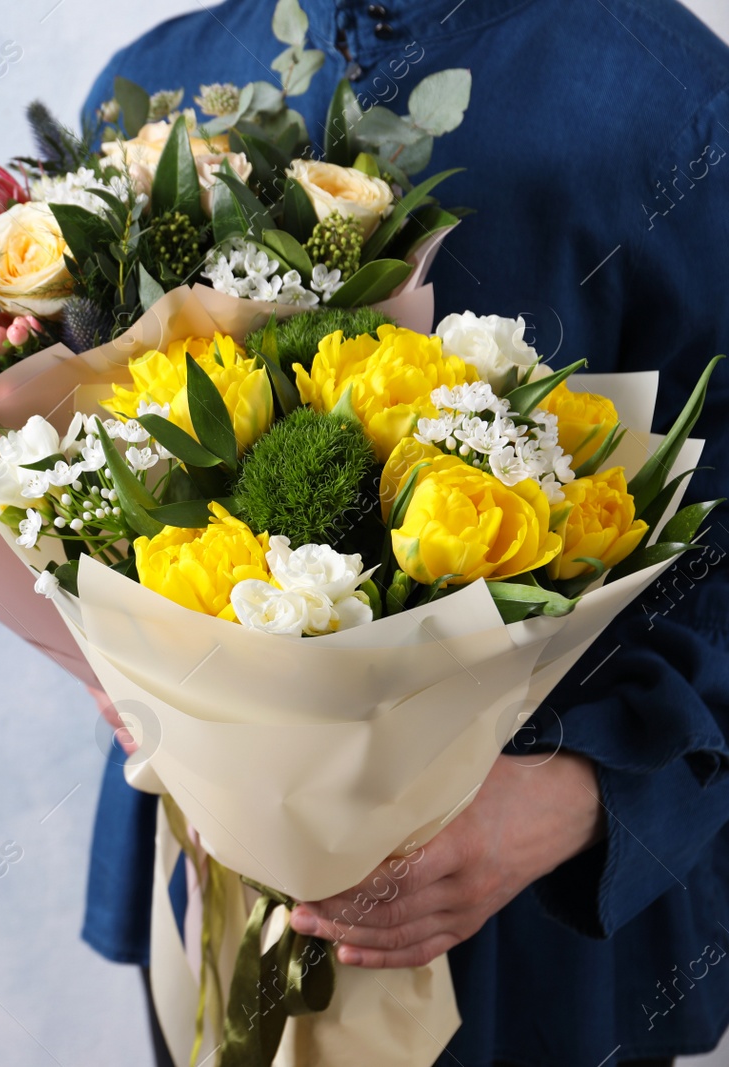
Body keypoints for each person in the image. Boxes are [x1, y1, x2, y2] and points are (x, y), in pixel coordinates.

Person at [78, 2, 729, 1065]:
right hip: (212, 886)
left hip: (529, 907)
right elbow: (79, 470)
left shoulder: (680, 108)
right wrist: (118, 656)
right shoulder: (149, 89)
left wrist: (584, 794)